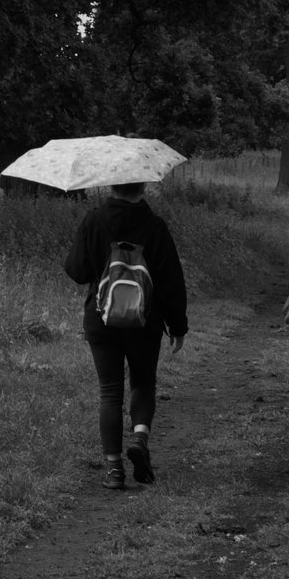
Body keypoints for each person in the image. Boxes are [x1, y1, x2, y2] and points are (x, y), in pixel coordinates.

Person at [63, 181, 189, 490]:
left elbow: (77, 271)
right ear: (143, 186)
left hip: (101, 319)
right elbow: (171, 280)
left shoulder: (93, 220)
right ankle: (139, 438)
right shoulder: (155, 226)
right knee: (143, 382)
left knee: (110, 391)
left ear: (111, 186)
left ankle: (114, 470)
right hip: (144, 320)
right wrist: (178, 326)